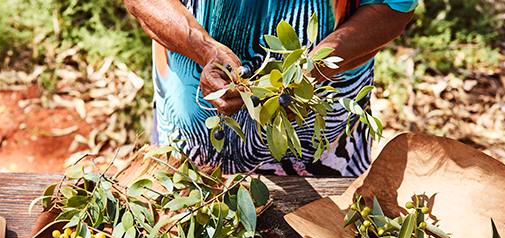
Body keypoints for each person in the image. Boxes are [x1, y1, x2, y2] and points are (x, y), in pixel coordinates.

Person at [124, 0, 417, 176]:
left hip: (319, 133)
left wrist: (313, 70)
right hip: (192, 124)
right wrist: (203, 49)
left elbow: (392, 7)